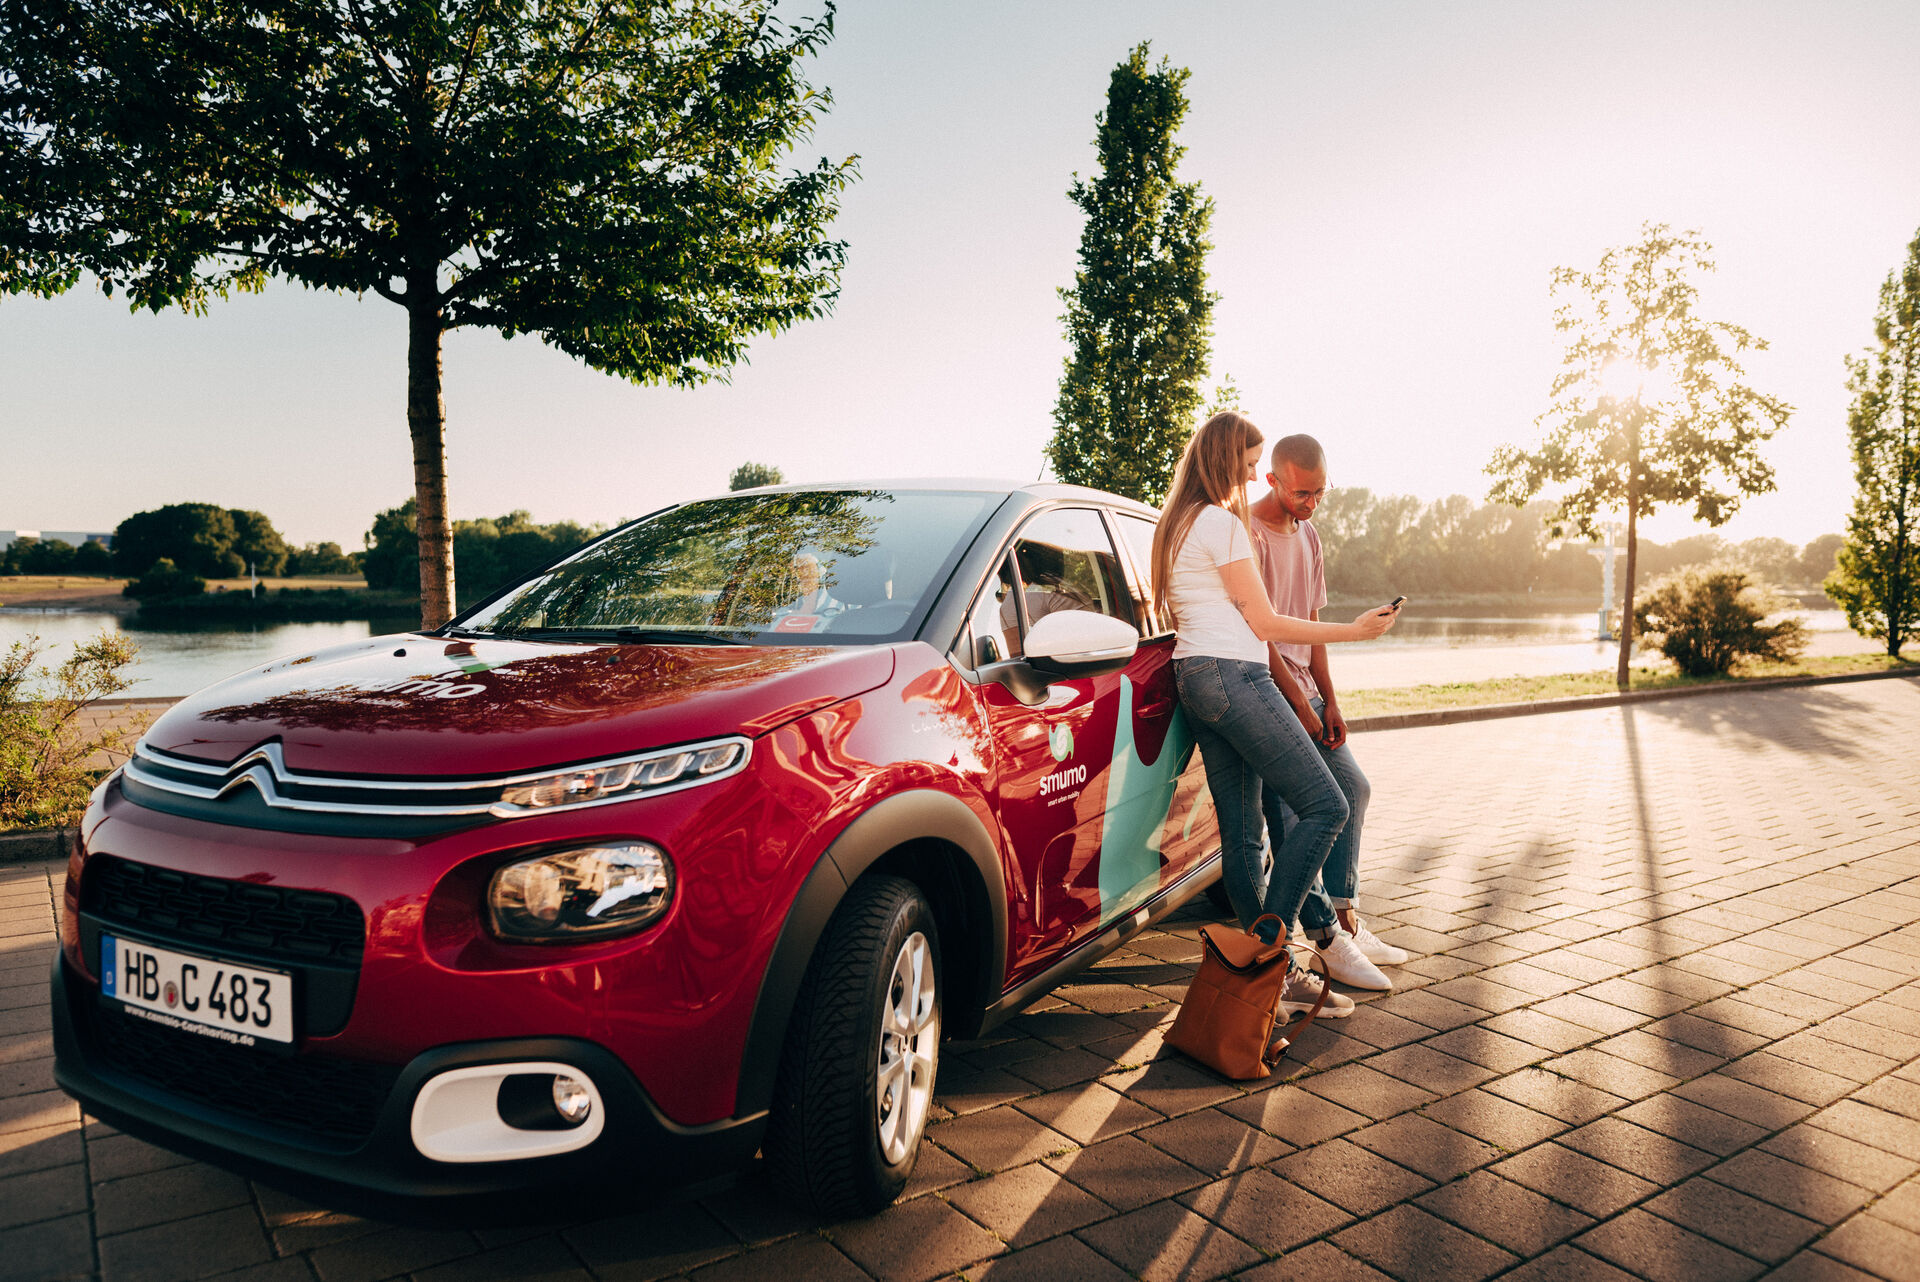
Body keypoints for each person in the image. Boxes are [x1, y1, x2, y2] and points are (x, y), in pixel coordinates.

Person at [1151, 411, 1397, 1021]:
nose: (1253, 474)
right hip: (1236, 677)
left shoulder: (1177, 523)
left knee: (1242, 836)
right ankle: (1270, 955)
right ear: (1226, 461)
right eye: (1248, 462)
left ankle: (1267, 983)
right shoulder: (1222, 524)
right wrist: (1356, 631)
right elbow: (1264, 625)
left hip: (1196, 679)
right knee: (1327, 805)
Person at [1250, 434, 1410, 993]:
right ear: (1272, 480)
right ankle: (1320, 943)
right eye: (1302, 493)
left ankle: (1345, 918)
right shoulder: (1248, 535)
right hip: (1270, 694)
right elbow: (1259, 630)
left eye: (1321, 492)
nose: (1312, 503)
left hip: (1308, 695)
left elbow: (1313, 628)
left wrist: (1330, 700)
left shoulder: (1309, 536)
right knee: (1300, 816)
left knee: (1355, 790)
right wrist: (1297, 702)